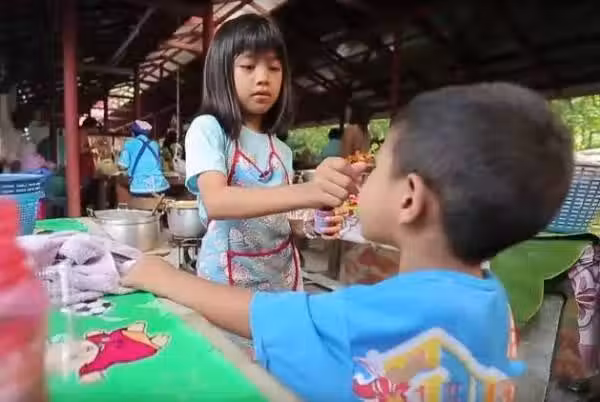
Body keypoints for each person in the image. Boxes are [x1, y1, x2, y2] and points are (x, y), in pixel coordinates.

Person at [123, 82, 573, 401]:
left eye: (378, 167)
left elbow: (261, 317)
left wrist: (160, 275)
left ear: (409, 198)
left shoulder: (370, 318)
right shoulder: (495, 306)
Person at [183, 13, 352, 294]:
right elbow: (217, 201)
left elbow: (280, 220)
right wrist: (310, 191)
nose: (263, 79)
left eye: (274, 68)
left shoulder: (281, 151)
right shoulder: (209, 130)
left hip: (283, 281)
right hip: (228, 285)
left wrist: (312, 223)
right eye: (248, 66)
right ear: (222, 73)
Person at [118, 120, 169, 195]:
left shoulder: (129, 144)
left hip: (139, 188)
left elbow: (122, 166)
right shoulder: (155, 144)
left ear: (133, 133)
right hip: (160, 186)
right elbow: (159, 164)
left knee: (120, 189)